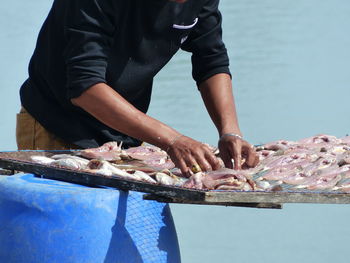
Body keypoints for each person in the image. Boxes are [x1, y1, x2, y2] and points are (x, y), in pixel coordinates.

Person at [17, 0, 259, 176]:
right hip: (57, 125)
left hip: (127, 136)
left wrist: (230, 132)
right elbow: (85, 87)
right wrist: (172, 140)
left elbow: (211, 60)